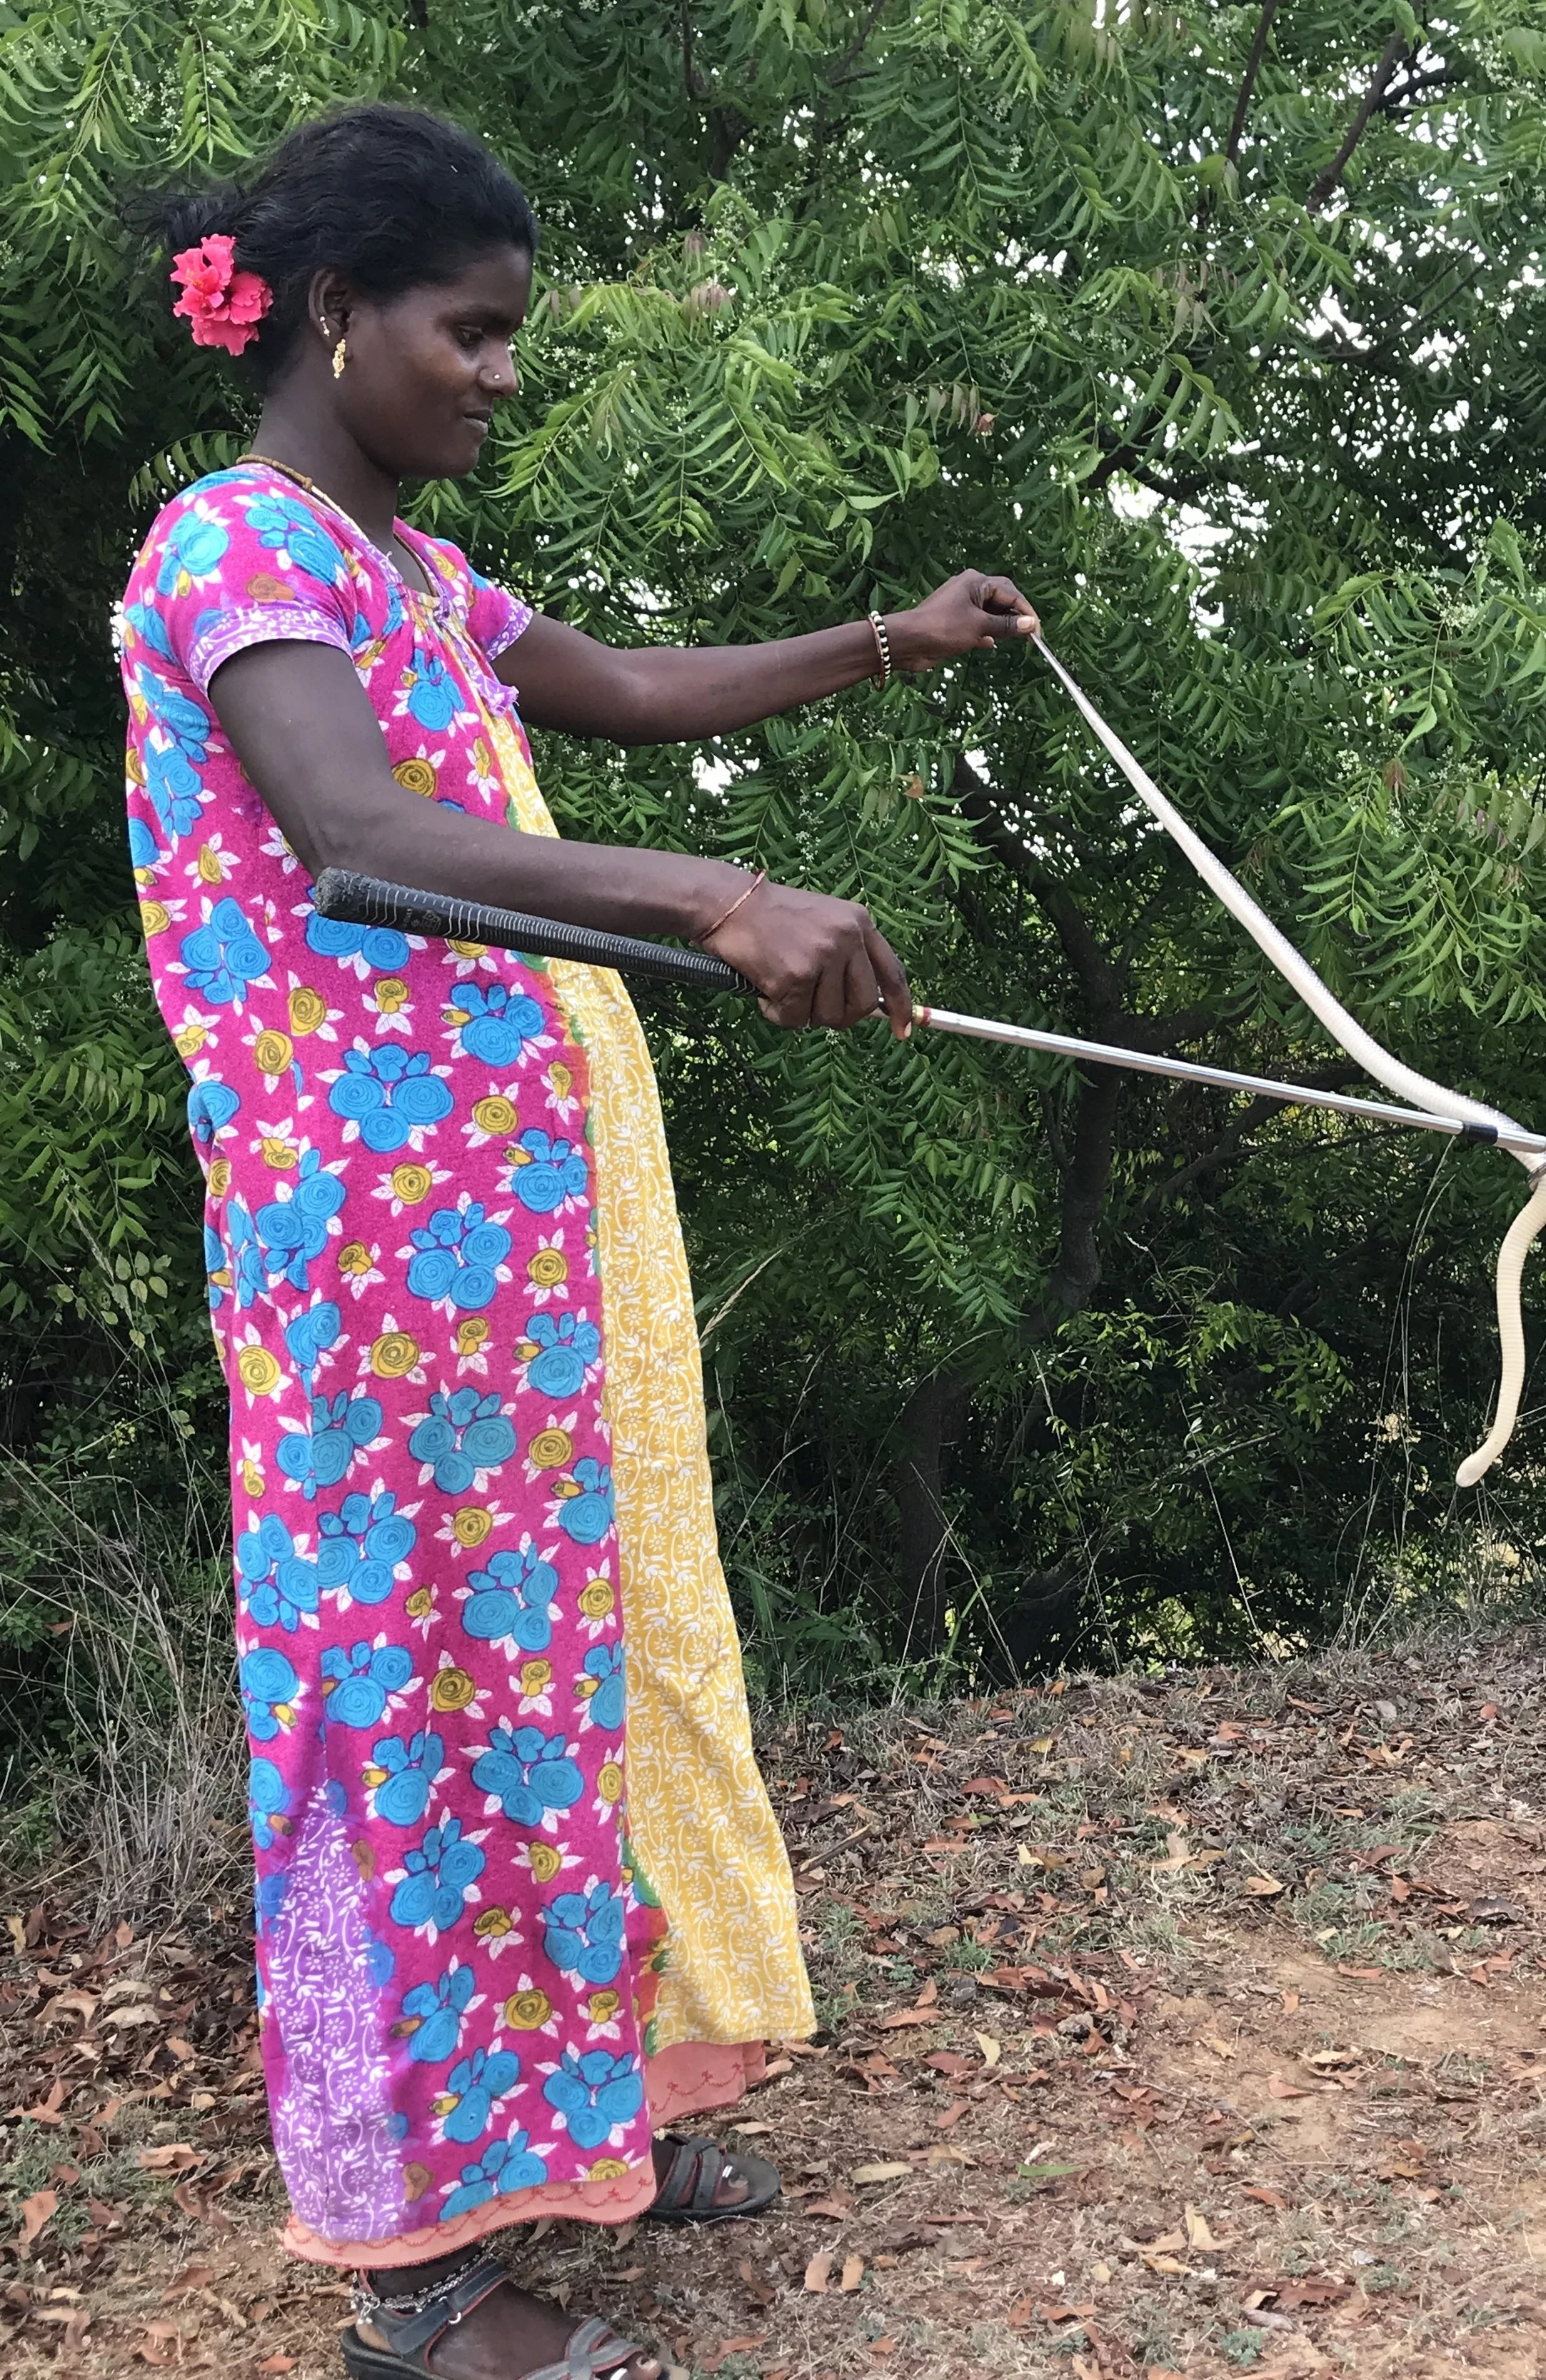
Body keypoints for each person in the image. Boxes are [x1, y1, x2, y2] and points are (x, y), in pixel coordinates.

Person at [120, 101, 1037, 2380]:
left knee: (568, 1654)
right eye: (473, 330)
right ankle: (415, 2275)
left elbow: (618, 691)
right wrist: (715, 898)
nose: (500, 375)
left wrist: (888, 640)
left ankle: (584, 2105)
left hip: (517, 1215)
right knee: (399, 1692)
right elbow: (356, 822)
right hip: (360, 1241)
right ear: (336, 313)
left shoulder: (417, 573)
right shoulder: (232, 549)